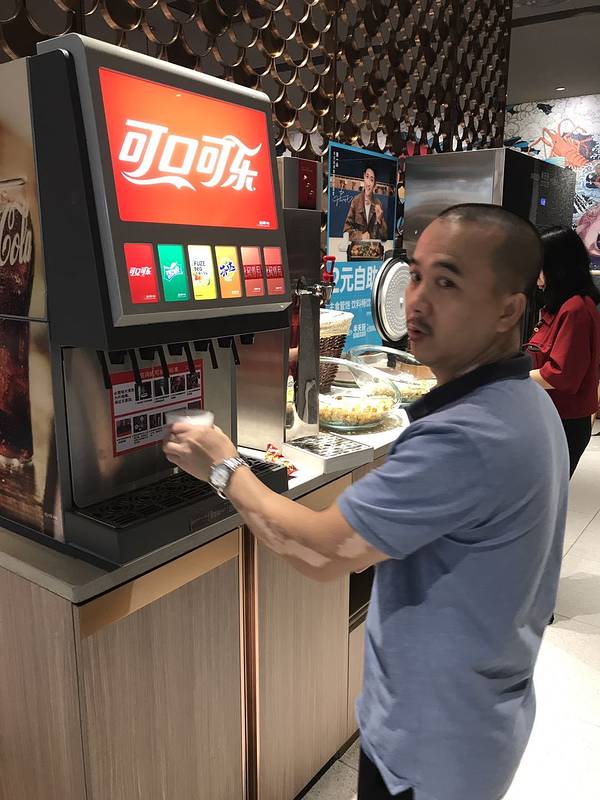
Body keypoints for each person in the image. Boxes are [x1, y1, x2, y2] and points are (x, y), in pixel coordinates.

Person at [163, 204, 568, 800]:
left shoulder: (466, 436)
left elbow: (321, 552)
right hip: (477, 719)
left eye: (447, 282)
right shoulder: (524, 402)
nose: (417, 299)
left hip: (430, 749)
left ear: (508, 309)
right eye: (417, 273)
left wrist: (224, 467)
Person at [527, 226, 600, 477]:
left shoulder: (576, 309)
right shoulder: (560, 306)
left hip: (564, 422)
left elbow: (561, 375)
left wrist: (509, 375)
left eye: (540, 265)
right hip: (551, 417)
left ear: (558, 267)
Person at [343, 164, 388, 242]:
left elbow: (384, 237)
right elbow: (346, 231)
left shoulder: (378, 203)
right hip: (358, 246)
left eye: (371, 180)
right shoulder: (356, 201)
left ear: (374, 184)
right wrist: (360, 236)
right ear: (364, 177)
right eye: (367, 177)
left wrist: (379, 220)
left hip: (372, 247)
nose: (368, 183)